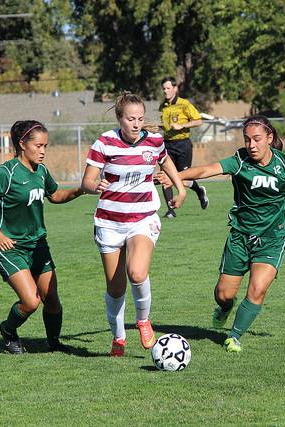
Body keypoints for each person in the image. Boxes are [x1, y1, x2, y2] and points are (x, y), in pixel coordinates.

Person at [157, 115, 285, 353]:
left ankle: (234, 337)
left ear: (269, 138)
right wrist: (177, 177)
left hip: (271, 239)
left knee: (257, 289)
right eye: (247, 140)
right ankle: (225, 308)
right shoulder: (239, 160)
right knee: (223, 295)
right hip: (240, 237)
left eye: (257, 139)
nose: (251, 145)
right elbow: (207, 169)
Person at [81, 92, 187, 357]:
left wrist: (180, 187)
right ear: (120, 118)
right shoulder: (104, 143)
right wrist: (96, 185)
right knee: (115, 288)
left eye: (140, 118)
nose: (137, 124)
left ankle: (143, 320)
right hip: (109, 222)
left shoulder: (154, 141)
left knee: (137, 273)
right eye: (131, 119)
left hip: (142, 217)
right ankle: (118, 338)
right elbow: (86, 181)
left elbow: (165, 160)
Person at [0, 120, 85, 354]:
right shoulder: (6, 173)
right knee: (31, 302)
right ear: (22, 144)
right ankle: (8, 331)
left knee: (52, 300)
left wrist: (80, 189)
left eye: (46, 146)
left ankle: (54, 344)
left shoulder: (41, 171)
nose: (43, 151)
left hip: (37, 245)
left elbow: (55, 195)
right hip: (9, 246)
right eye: (39, 145)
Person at [159, 76, 208, 218]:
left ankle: (200, 192)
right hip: (167, 144)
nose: (165, 91)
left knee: (183, 179)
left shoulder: (184, 104)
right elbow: (166, 126)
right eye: (164, 88)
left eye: (168, 88)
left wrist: (182, 125)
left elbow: (198, 121)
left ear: (175, 88)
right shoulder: (163, 106)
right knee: (165, 176)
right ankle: (170, 210)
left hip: (183, 144)